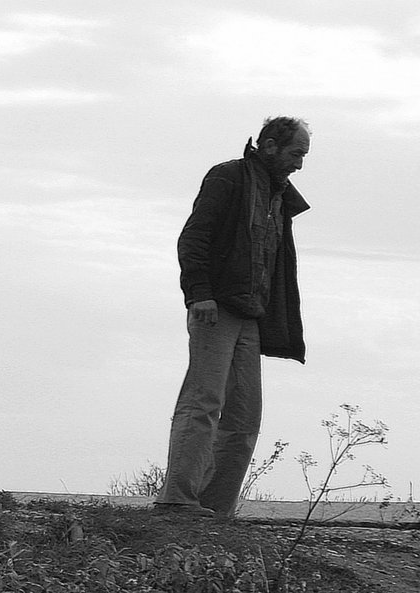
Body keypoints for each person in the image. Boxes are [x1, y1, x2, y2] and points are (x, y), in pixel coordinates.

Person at [155, 116, 311, 518]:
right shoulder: (228, 177)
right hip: (215, 308)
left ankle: (214, 509)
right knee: (203, 401)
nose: (299, 164)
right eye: (296, 154)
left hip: (251, 315)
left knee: (244, 416)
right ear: (271, 145)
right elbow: (194, 238)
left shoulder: (278, 194)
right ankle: (177, 501)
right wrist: (199, 294)